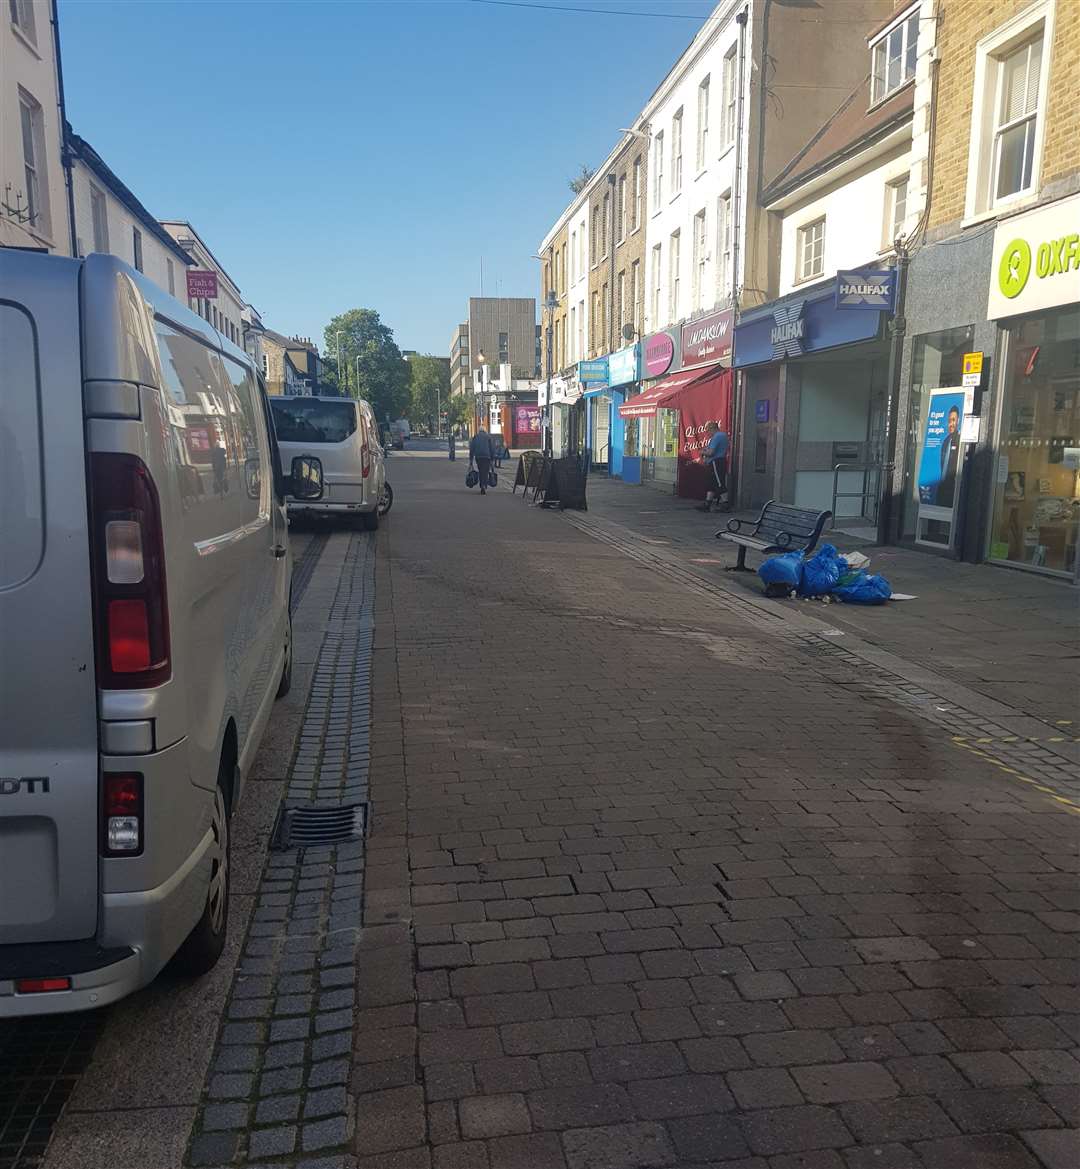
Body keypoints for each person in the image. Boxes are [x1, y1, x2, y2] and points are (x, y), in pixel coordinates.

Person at [699, 420, 729, 510]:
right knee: (712, 483)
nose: (708, 433)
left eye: (708, 430)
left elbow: (711, 452)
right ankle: (707, 503)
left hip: (717, 462)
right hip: (718, 461)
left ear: (712, 428)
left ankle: (725, 504)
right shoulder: (722, 436)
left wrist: (702, 452)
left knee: (719, 483)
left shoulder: (717, 436)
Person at [937, 405, 961, 506]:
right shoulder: (945, 442)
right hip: (942, 488)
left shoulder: (960, 440)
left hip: (953, 489)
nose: (951, 424)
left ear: (958, 421)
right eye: (949, 421)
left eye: (953, 420)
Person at [469, 427, 495, 495]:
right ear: (485, 431)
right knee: (485, 471)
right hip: (487, 457)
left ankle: (482, 485)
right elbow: (492, 448)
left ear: (479, 431)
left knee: (480, 471)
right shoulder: (488, 437)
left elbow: (472, 448)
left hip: (478, 456)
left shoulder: (475, 437)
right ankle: (484, 486)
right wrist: (492, 458)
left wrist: (471, 459)